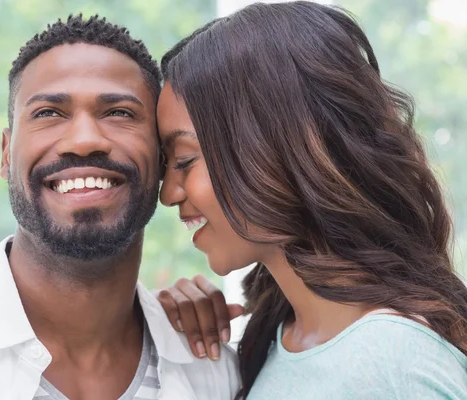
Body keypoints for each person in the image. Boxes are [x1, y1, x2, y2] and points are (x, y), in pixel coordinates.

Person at [0, 15, 239, 400]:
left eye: (119, 113)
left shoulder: (218, 376)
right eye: (48, 113)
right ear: (5, 154)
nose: (83, 140)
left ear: (162, 156)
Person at [155, 2, 467, 399]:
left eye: (184, 160)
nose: (168, 194)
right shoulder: (276, 339)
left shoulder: (394, 363)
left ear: (274, 148)